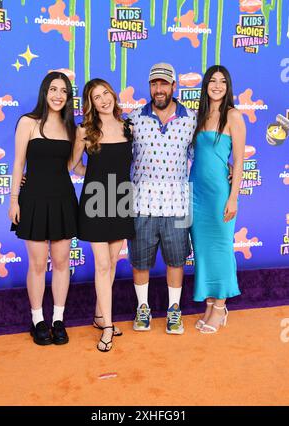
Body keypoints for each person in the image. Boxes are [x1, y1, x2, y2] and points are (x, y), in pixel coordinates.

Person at [9, 72, 79, 346]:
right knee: (38, 264)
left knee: (62, 262)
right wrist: (14, 199)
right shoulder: (27, 122)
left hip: (63, 199)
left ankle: (58, 320)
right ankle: (37, 320)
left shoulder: (71, 128)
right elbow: (18, 164)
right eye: (53, 89)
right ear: (44, 92)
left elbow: (71, 166)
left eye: (63, 90)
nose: (58, 95)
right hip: (34, 200)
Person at [127, 63, 196, 334]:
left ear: (173, 86)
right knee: (140, 261)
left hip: (177, 205)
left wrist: (225, 167)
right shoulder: (134, 119)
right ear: (150, 86)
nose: (159, 89)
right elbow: (117, 155)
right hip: (141, 204)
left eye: (164, 84)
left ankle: (173, 311)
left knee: (176, 260)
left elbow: (199, 154)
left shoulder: (190, 118)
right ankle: (143, 308)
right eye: (154, 84)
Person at [70, 78, 135, 352]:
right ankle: (108, 327)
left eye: (106, 93)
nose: (104, 100)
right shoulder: (84, 130)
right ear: (91, 104)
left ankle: (99, 316)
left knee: (111, 262)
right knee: (103, 265)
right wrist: (94, 177)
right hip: (96, 201)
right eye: (97, 97)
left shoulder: (128, 127)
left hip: (121, 200)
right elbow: (73, 166)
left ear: (113, 95)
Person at [189, 65, 246, 333]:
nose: (217, 85)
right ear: (205, 85)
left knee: (221, 248)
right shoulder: (199, 116)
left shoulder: (234, 116)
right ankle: (210, 303)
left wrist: (233, 198)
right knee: (202, 250)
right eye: (212, 80)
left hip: (219, 195)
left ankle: (221, 306)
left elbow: (239, 161)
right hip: (196, 193)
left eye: (223, 81)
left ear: (228, 86)